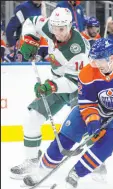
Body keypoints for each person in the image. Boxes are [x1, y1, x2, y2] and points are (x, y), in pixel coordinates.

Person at [22, 38, 113, 188]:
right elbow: (87, 103)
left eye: (99, 60)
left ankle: (76, 173)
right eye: (93, 60)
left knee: (109, 141)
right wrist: (93, 122)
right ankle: (41, 172)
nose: (95, 64)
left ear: (110, 58)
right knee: (65, 139)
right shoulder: (87, 73)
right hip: (93, 110)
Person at [10, 7, 90, 179]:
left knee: (81, 127)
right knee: (32, 117)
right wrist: (30, 38)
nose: (57, 33)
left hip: (81, 88)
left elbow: (74, 82)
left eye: (61, 29)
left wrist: (50, 86)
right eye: (54, 28)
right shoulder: (51, 27)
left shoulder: (78, 49)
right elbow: (31, 21)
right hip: (57, 83)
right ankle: (31, 161)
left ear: (70, 26)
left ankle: (95, 163)